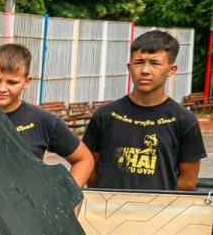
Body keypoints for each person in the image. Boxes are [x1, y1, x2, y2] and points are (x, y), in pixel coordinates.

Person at [82, 29, 206, 192]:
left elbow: (188, 182)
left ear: (171, 69)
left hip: (160, 208)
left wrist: (154, 203)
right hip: (108, 207)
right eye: (139, 62)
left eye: (155, 63)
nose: (145, 70)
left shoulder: (184, 120)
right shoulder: (105, 115)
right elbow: (90, 171)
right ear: (129, 67)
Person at [0, 43, 93, 185]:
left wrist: (66, 196)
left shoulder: (43, 120)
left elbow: (84, 159)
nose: (2, 88)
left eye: (12, 82)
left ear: (26, 82)